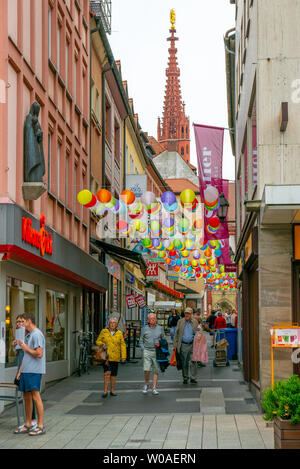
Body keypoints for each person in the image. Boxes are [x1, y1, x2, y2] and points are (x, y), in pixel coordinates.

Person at [14, 312, 46, 436]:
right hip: (26, 370)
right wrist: (20, 371)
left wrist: (25, 347)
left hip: (34, 370)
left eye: (22, 321)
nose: (20, 324)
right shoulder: (28, 335)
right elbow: (26, 355)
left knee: (35, 397)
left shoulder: (37, 334)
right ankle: (28, 424)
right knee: (26, 397)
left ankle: (40, 426)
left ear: (28, 321)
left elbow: (39, 353)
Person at [13, 315, 37, 431]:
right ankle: (28, 420)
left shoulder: (30, 335)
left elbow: (30, 353)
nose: (19, 323)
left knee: (31, 393)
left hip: (27, 367)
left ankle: (32, 420)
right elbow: (17, 354)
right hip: (22, 366)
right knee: (26, 393)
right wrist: (14, 345)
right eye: (17, 321)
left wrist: (20, 371)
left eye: (22, 321)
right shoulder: (19, 335)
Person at [96, 318, 127, 398]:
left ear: (116, 325)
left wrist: (123, 356)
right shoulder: (104, 331)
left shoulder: (119, 333)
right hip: (106, 356)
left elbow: (123, 345)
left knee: (113, 374)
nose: (112, 324)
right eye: (111, 323)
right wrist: (103, 344)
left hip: (115, 357)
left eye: (114, 323)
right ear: (108, 324)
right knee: (107, 373)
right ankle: (105, 390)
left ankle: (112, 390)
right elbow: (97, 341)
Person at [140, 313, 165, 395]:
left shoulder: (160, 328)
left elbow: (163, 339)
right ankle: (146, 384)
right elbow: (140, 341)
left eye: (154, 318)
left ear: (156, 320)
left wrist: (160, 344)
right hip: (147, 350)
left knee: (156, 369)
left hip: (156, 351)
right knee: (146, 369)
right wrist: (143, 349)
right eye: (151, 319)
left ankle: (154, 387)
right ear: (148, 320)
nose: (152, 320)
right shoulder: (144, 329)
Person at [174, 307, 198, 384]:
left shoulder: (195, 322)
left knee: (193, 361)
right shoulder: (180, 321)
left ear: (191, 314)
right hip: (183, 345)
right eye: (186, 313)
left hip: (193, 344)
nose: (187, 315)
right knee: (184, 362)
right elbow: (176, 334)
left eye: (188, 313)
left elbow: (198, 332)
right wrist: (175, 345)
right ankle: (185, 377)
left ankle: (193, 377)